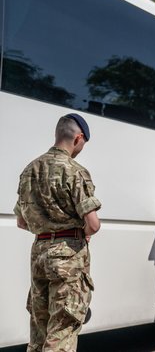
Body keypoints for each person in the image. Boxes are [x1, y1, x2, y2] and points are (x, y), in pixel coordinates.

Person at [14, 113, 101, 352]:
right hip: (68, 256)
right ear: (78, 138)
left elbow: (22, 222)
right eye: (83, 144)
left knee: (39, 329)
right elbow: (93, 224)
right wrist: (80, 231)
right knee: (63, 327)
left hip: (39, 253)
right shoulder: (75, 171)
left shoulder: (29, 170)